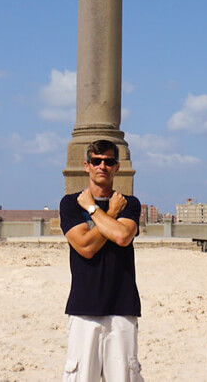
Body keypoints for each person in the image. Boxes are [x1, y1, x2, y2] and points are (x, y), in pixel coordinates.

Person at [60, 140, 143, 381]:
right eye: (96, 161)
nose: (102, 166)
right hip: (83, 308)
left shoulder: (130, 203)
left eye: (108, 161)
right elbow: (85, 247)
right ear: (86, 166)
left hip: (122, 307)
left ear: (117, 167)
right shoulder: (70, 203)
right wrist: (111, 215)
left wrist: (95, 210)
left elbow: (122, 236)